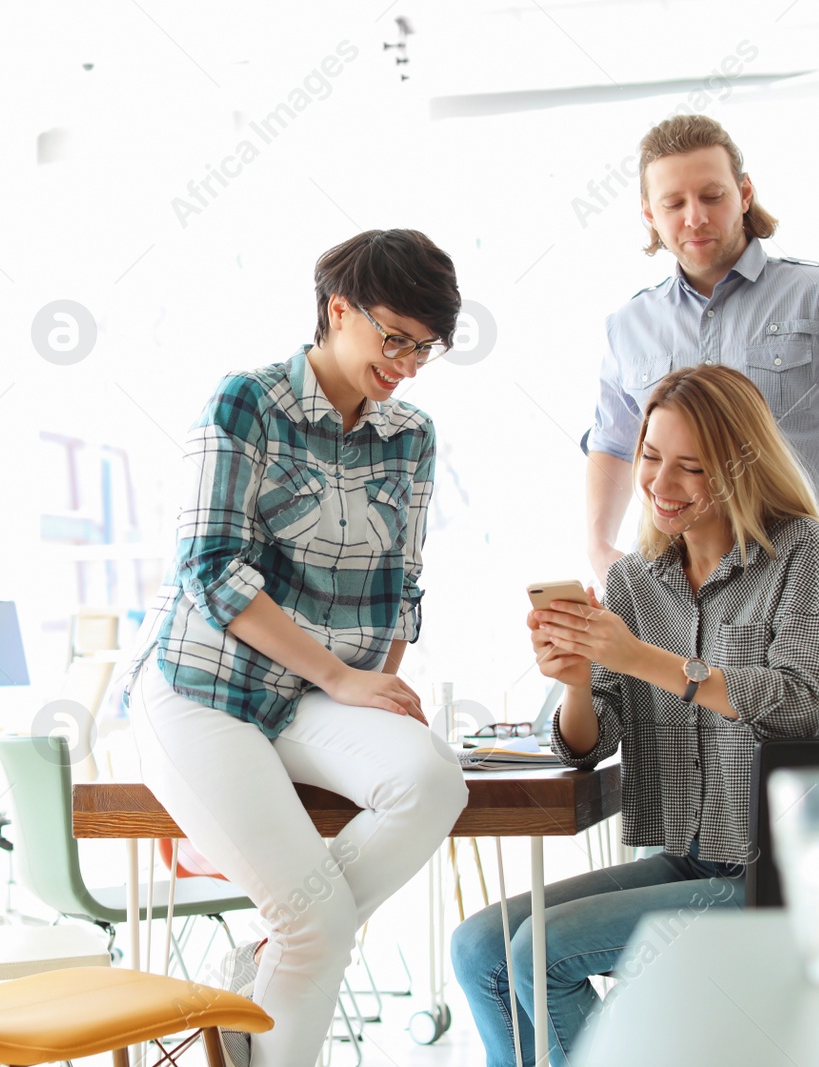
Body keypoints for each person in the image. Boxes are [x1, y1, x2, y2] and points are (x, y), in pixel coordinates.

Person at [122, 229, 469, 1067]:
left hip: (315, 696)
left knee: (431, 779)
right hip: (204, 684)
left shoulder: (411, 435)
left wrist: (373, 686)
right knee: (316, 926)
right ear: (336, 308)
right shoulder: (249, 400)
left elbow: (400, 585)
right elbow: (212, 569)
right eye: (396, 339)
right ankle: (286, 951)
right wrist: (339, 677)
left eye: (426, 348)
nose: (409, 364)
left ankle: (258, 968)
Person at [453, 364, 819, 1066]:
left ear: (739, 468)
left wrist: (640, 657)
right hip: (690, 859)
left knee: (537, 954)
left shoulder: (801, 553)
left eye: (691, 468)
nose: (660, 485)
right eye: (649, 457)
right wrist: (580, 681)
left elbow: (798, 704)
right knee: (480, 947)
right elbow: (590, 741)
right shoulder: (633, 580)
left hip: (787, 875)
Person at [583, 114, 819, 731]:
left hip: (798, 604)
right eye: (673, 202)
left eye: (712, 195)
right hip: (675, 614)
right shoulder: (629, 326)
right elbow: (613, 441)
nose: (695, 217)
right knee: (687, 804)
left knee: (806, 801)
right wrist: (599, 544)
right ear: (649, 214)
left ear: (745, 194)